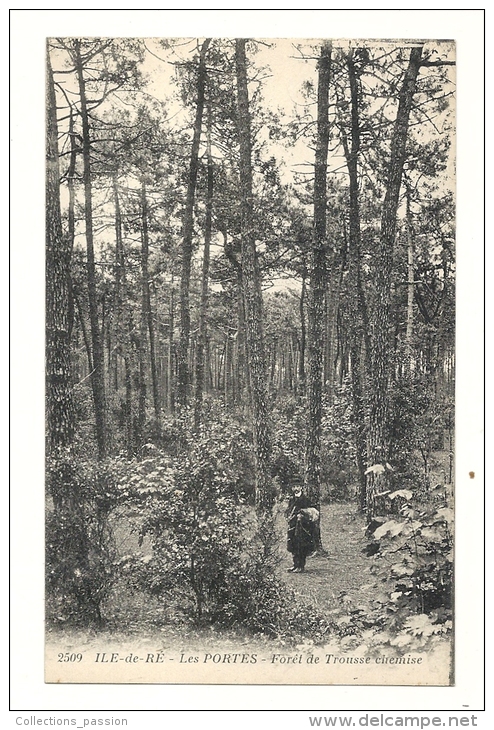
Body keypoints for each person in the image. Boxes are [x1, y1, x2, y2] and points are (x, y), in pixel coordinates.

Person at [285, 486, 318, 573]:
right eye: (294, 486)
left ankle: (301, 566)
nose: (295, 488)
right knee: (293, 545)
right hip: (293, 524)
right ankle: (295, 565)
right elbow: (289, 510)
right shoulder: (292, 499)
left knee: (301, 546)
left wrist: (303, 515)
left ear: (301, 487)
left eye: (297, 486)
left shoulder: (305, 499)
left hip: (303, 527)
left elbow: (312, 512)